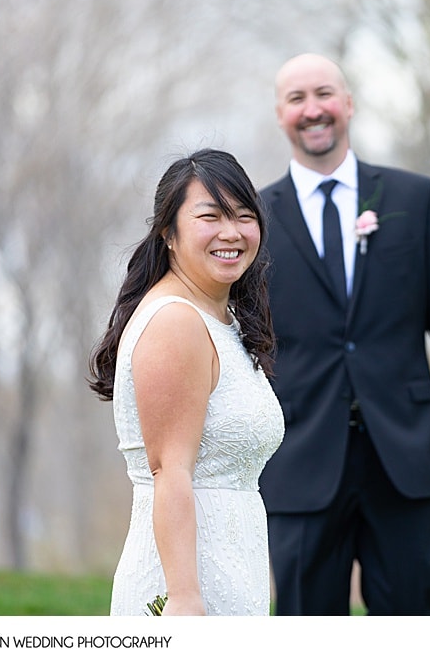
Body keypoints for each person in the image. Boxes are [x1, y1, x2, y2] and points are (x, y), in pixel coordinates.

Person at [258, 52, 430, 615]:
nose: (313, 110)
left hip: (405, 456)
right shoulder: (253, 221)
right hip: (298, 459)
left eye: (324, 94)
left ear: (349, 104)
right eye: (297, 99)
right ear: (279, 114)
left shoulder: (417, 202)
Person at [88, 148, 284, 616]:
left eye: (243, 215)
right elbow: (169, 472)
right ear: (168, 233)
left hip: (234, 574)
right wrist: (183, 597)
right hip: (186, 587)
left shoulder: (224, 318)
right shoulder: (175, 321)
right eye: (209, 216)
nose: (231, 233)